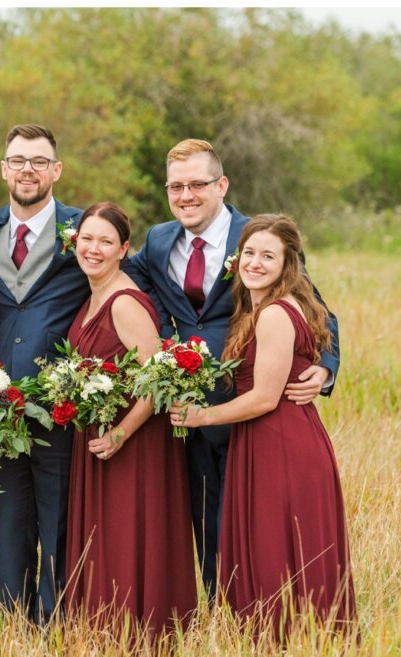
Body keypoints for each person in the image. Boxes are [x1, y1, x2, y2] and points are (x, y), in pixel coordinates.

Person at [122, 139, 340, 601]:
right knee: (205, 520)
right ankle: (225, 612)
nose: (186, 196)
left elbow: (319, 311)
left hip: (250, 409)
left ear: (221, 185)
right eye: (176, 186)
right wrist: (160, 328)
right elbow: (131, 277)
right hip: (187, 411)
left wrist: (325, 369)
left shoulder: (259, 240)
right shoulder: (160, 240)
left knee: (257, 522)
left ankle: (274, 610)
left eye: (197, 184)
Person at [170, 214, 356, 637]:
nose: (255, 262)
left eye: (268, 256)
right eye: (249, 253)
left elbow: (265, 397)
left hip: (281, 440)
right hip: (271, 438)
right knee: (283, 547)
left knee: (276, 547)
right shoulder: (263, 307)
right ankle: (293, 645)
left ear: (289, 263)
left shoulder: (274, 314)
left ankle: (283, 644)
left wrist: (203, 415)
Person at [63, 202, 197, 641]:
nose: (94, 249)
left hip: (135, 440)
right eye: (87, 239)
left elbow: (158, 380)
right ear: (74, 242)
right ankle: (103, 632)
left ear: (124, 249)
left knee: (129, 532)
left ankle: (141, 633)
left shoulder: (124, 302)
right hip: (103, 435)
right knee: (108, 535)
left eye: (105, 242)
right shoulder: (93, 295)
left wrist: (122, 432)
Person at [0, 124, 88, 623]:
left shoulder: (86, 232)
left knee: (59, 520)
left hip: (61, 408)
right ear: (3, 170)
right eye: (18, 160)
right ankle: (13, 621)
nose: (27, 169)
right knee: (8, 522)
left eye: (39, 161)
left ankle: (56, 622)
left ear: (56, 171)